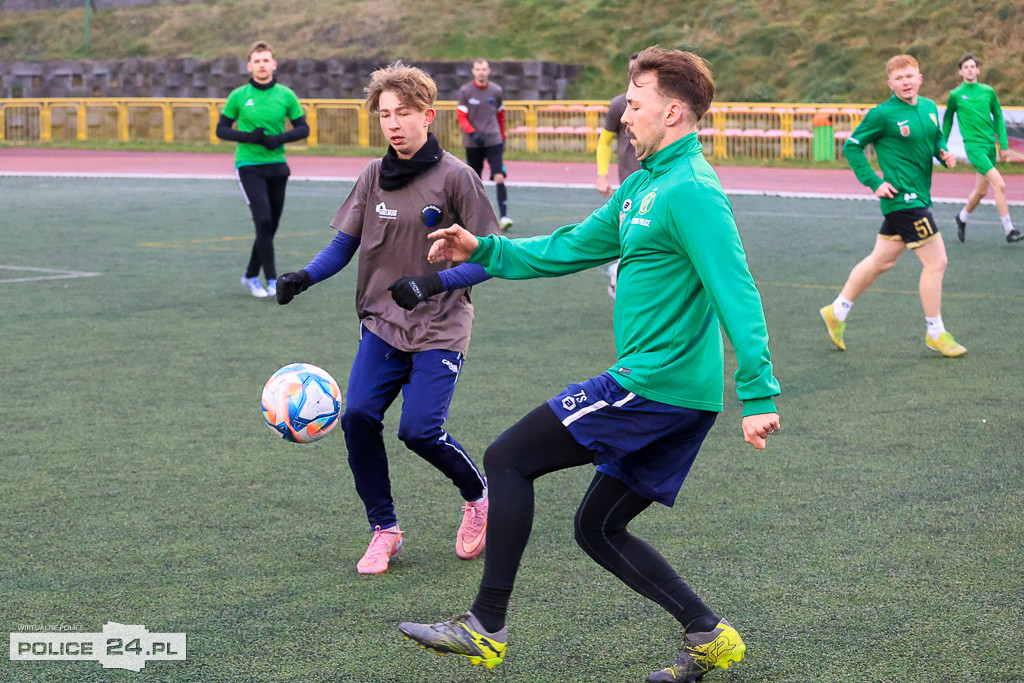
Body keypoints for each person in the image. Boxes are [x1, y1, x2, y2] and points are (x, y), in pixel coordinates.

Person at [393, 46, 782, 681]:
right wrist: (484, 248)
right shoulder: (643, 185)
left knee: (508, 457)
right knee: (597, 528)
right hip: (674, 394)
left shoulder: (691, 190)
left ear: (674, 111)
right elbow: (569, 247)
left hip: (656, 387)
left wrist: (759, 393)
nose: (624, 115)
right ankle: (710, 636)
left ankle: (486, 626)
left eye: (635, 103)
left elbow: (736, 290)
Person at [275, 62, 499, 575]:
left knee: (419, 431)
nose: (394, 124)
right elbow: (343, 245)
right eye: (385, 115)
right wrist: (304, 277)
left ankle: (478, 496)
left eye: (403, 113)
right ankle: (385, 530)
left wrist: (431, 283)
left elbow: (489, 259)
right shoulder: (373, 176)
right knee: (357, 417)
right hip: (381, 323)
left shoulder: (457, 179)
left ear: (428, 115)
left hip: (440, 327)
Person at [820, 54, 966, 358]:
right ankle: (935, 332)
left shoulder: (928, 108)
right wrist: (874, 182)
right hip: (903, 201)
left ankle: (837, 311)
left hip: (919, 196)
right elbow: (852, 146)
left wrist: (944, 154)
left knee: (881, 262)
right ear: (890, 83)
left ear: (920, 78)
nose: (905, 82)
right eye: (899, 78)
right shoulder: (882, 115)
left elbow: (935, 138)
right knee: (936, 263)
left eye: (910, 76)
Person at [216, 40, 310, 299]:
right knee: (264, 221)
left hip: (278, 166)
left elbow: (303, 129)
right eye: (257, 61)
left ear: (274, 64)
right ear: (249, 66)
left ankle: (248, 276)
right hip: (249, 166)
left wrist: (278, 139)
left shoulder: (286, 95)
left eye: (266, 60)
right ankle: (270, 280)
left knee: (269, 227)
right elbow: (221, 129)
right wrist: (251, 137)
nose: (261, 65)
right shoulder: (239, 96)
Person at [942, 53, 1021, 243]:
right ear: (960, 72)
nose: (970, 70)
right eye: (966, 67)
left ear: (977, 70)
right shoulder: (955, 95)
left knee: (981, 191)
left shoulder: (988, 91)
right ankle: (1009, 229)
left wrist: (1003, 145)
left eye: (973, 66)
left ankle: (961, 218)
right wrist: (942, 146)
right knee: (999, 184)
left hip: (989, 146)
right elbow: (947, 120)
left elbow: (999, 118)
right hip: (973, 147)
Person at [596, 53, 642, 300]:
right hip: (630, 181)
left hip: (657, 180)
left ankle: (622, 270)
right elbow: (604, 142)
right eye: (632, 70)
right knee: (630, 233)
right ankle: (620, 271)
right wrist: (602, 175)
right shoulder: (618, 105)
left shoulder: (660, 104)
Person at [458, 58, 513, 231]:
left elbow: (500, 116)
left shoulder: (496, 90)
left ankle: (503, 216)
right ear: (473, 71)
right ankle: (473, 218)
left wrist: (502, 138)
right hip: (473, 143)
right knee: (474, 180)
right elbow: (461, 117)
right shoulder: (465, 91)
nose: (481, 72)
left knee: (499, 176)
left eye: (484, 69)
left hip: (493, 141)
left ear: (489, 71)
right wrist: (472, 132)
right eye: (477, 69)